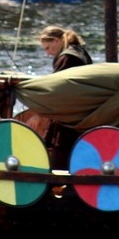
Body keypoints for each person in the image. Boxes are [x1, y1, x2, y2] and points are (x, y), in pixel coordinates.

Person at [36, 25, 92, 168]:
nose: (48, 53)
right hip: (82, 112)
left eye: (48, 48)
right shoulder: (79, 52)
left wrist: (39, 111)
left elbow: (57, 88)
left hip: (69, 116)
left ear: (56, 41)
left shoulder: (67, 58)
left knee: (61, 154)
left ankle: (56, 185)